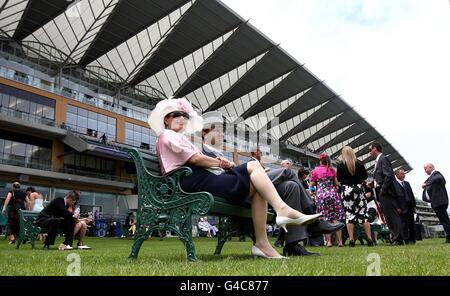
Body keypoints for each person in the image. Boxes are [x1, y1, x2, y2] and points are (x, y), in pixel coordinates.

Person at [148, 97, 321, 259]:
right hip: (191, 181)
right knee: (254, 166)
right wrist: (221, 163)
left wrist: (221, 163)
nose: (182, 118)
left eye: (185, 115)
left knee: (257, 181)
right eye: (176, 115)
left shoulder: (180, 138)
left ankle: (263, 243)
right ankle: (281, 211)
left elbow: (197, 158)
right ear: (166, 119)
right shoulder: (168, 135)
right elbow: (195, 159)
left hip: (199, 179)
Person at [201, 111, 342, 256]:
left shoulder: (219, 154)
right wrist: (227, 165)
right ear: (205, 133)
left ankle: (293, 245)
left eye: (222, 131)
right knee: (287, 172)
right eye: (218, 131)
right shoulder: (203, 154)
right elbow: (218, 178)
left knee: (291, 187)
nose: (222, 134)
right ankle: (313, 222)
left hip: (247, 184)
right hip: (240, 188)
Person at [337, 146, 374, 247]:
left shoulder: (341, 165)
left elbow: (339, 179)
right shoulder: (359, 163)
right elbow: (365, 177)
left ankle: (351, 239)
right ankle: (370, 239)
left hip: (347, 191)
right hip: (359, 189)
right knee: (363, 214)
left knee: (349, 215)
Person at [369, 141, 404, 245]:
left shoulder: (383, 159)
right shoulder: (379, 160)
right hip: (382, 191)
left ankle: (398, 239)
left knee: (392, 216)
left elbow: (388, 175)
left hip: (387, 192)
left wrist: (383, 190)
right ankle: (395, 238)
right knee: (388, 217)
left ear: (375, 149)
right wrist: (374, 183)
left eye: (370, 150)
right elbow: (382, 175)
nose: (369, 152)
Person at [310, 153, 346, 247]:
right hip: (333, 195)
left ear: (320, 160)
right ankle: (340, 242)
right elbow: (337, 184)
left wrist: (313, 192)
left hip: (321, 196)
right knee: (335, 218)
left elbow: (312, 184)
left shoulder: (316, 170)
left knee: (325, 219)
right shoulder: (332, 170)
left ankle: (329, 242)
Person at [422, 163, 450, 243]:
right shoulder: (432, 177)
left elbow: (438, 178)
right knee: (443, 220)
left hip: (440, 202)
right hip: (436, 203)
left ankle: (449, 237)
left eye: (425, 169)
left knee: (445, 220)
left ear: (430, 167)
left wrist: (426, 184)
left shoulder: (437, 174)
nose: (425, 171)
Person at [394, 168, 416, 244]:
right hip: (401, 207)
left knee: (411, 223)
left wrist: (414, 206)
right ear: (397, 175)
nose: (404, 175)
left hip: (410, 205)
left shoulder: (407, 183)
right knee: (404, 224)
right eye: (402, 174)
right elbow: (394, 197)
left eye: (404, 173)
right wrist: (397, 207)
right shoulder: (394, 184)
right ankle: (406, 239)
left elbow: (411, 195)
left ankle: (412, 239)